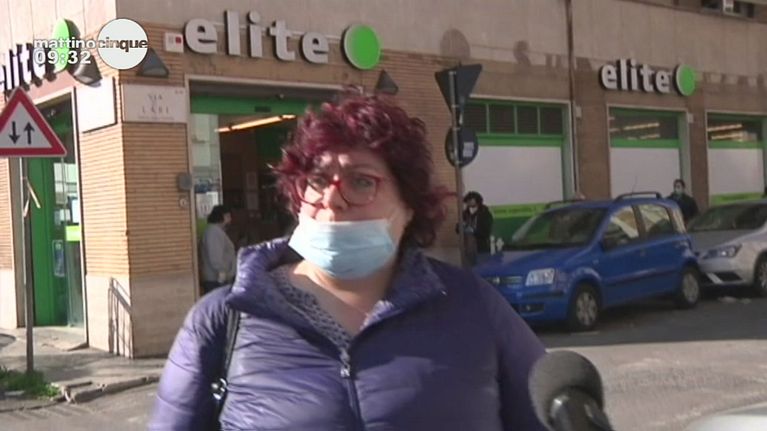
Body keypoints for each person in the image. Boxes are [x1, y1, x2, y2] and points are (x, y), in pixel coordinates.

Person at [149, 91, 547, 431]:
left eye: (361, 181)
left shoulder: (472, 306)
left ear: (409, 206)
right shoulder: (222, 321)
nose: (332, 199)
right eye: (317, 181)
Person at [199, 205, 237, 295]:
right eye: (228, 216)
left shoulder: (216, 231)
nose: (230, 220)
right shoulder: (214, 232)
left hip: (219, 278)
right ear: (220, 217)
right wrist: (223, 272)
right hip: (217, 280)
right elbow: (215, 257)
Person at [462, 191, 494, 263]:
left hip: (481, 247)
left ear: (477, 201)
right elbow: (458, 228)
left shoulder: (485, 213)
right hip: (468, 248)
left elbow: (486, 231)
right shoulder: (465, 214)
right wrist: (461, 227)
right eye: (467, 200)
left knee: (482, 265)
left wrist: (473, 231)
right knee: (469, 266)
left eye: (471, 199)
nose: (469, 202)